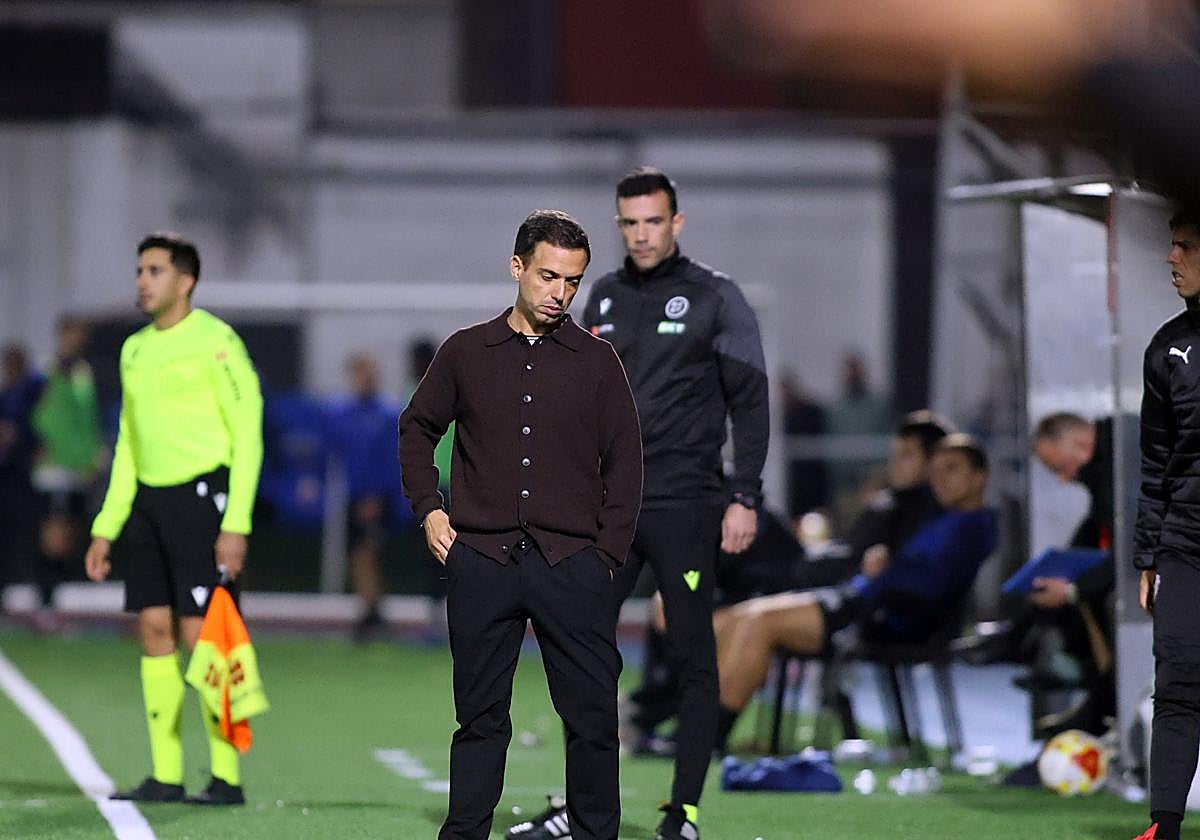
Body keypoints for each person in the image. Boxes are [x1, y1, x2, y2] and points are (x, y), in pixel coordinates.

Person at [398, 209, 642, 840]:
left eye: (572, 281)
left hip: (574, 566)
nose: (560, 293)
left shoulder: (598, 361)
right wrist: (429, 509)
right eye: (547, 277)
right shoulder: (465, 352)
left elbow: (627, 462)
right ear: (517, 268)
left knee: (591, 719)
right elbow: (416, 428)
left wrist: (607, 556)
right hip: (481, 561)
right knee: (480, 719)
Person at [84, 233, 264, 806]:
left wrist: (236, 521)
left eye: (155, 270)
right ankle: (165, 774)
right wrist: (106, 525)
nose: (143, 280)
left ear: (184, 281)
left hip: (202, 500)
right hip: (147, 506)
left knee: (203, 635)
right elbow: (128, 446)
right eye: (140, 269)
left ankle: (225, 777)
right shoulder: (133, 349)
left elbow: (248, 433)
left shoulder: (217, 341)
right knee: (154, 631)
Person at [713, 434, 997, 746]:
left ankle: (711, 733)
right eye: (937, 470)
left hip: (882, 614)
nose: (941, 479)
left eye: (952, 469)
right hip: (861, 599)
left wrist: (886, 569)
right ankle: (704, 725)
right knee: (738, 618)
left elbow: (932, 582)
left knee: (757, 620)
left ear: (979, 476)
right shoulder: (938, 516)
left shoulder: (975, 526)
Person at [1131, 208, 1200, 840]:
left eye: (1183, 246)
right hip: (1186, 545)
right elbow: (1155, 460)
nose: (1169, 257)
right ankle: (1165, 828)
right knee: (1176, 681)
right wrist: (1147, 554)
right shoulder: (1167, 347)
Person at [29, 316, 104, 628]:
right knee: (53, 534)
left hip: (77, 467)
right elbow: (41, 417)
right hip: (54, 467)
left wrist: (92, 454)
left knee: (68, 535)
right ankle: (44, 604)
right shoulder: (48, 371)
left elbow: (87, 418)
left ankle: (51, 602)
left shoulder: (82, 373)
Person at [326, 353, 403, 641]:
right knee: (358, 553)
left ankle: (373, 611)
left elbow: (392, 459)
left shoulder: (386, 414)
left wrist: (380, 495)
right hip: (354, 495)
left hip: (378, 497)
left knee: (367, 552)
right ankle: (370, 609)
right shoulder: (342, 414)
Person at [0, 344, 44, 601]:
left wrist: (18, 436)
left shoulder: (33, 391)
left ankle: (30, 586)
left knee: (26, 535)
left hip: (23, 476)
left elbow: (37, 429)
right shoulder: (7, 394)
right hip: (7, 477)